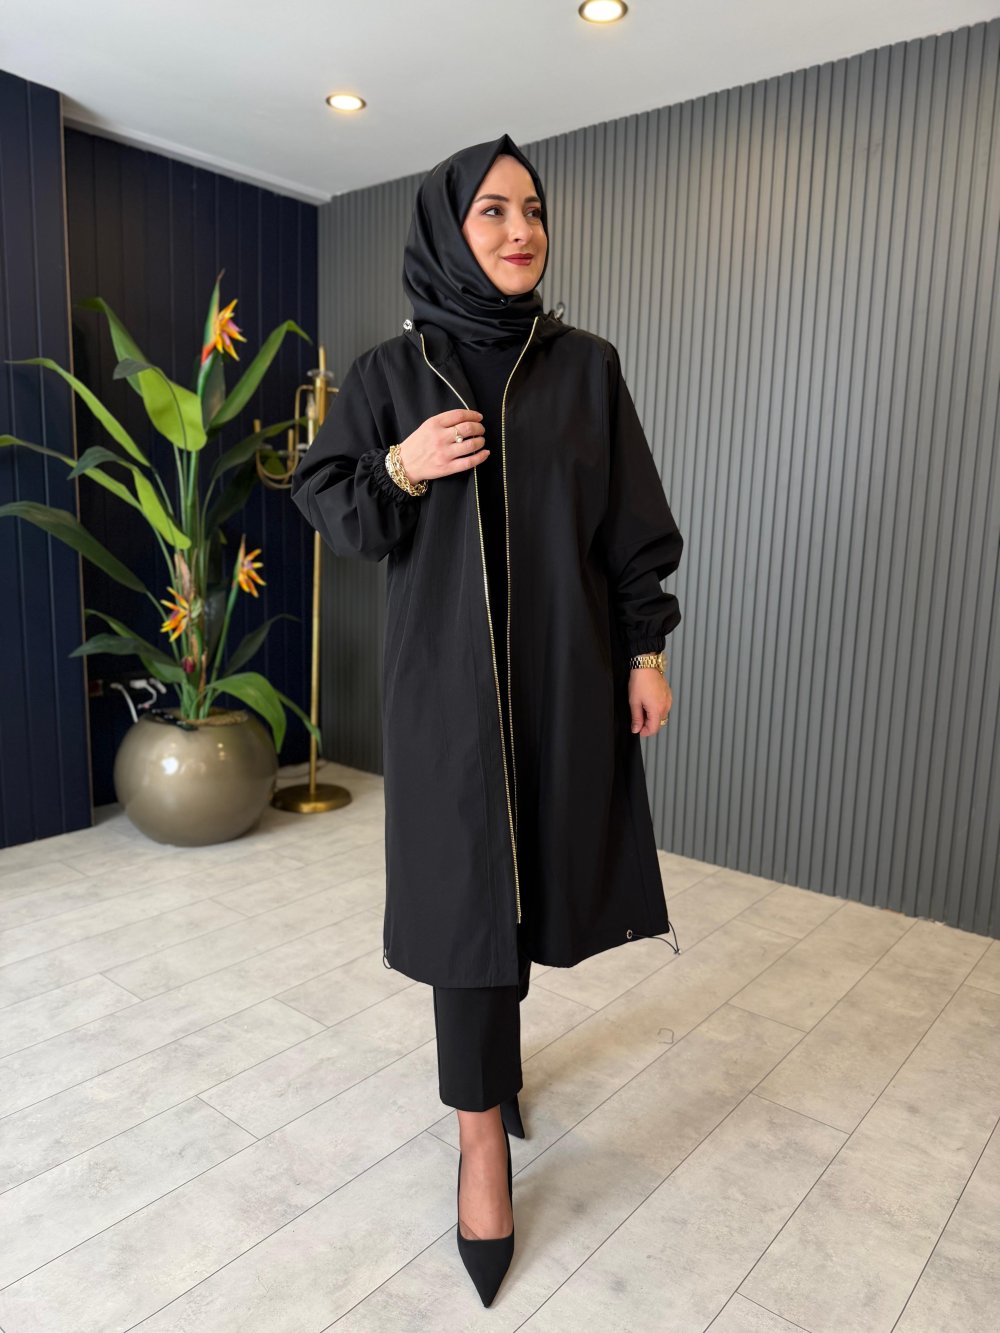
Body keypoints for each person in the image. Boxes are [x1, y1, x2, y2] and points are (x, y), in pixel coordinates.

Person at [290, 132, 684, 1307]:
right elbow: (330, 501)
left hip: (564, 678)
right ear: (448, 232)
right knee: (465, 900)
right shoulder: (391, 375)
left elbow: (631, 525)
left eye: (533, 210)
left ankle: (498, 1071)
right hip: (445, 697)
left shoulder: (586, 368)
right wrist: (402, 468)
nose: (521, 232)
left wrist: (645, 648)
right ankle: (477, 1140)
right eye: (494, 212)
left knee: (536, 877)